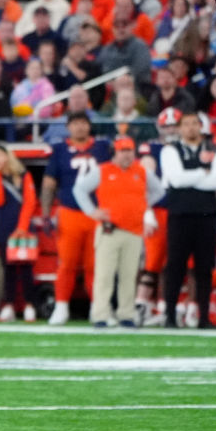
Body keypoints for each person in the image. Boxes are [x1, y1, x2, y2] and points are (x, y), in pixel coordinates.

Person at [73, 136, 165, 327]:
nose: (126, 155)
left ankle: (126, 314)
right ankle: (100, 314)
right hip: (110, 230)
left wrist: (142, 205)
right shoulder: (103, 170)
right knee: (104, 275)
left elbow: (159, 191)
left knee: (129, 276)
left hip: (134, 231)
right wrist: (92, 211)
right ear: (115, 152)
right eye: (123, 151)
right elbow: (79, 190)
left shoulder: (142, 172)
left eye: (129, 150)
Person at [40, 112, 112, 325]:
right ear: (68, 127)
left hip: (96, 213)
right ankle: (61, 306)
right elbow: (49, 183)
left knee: (95, 265)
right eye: (75, 123)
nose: (80, 127)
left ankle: (98, 308)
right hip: (70, 212)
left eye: (83, 123)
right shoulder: (60, 150)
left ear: (89, 126)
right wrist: (46, 213)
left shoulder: (102, 148)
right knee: (66, 263)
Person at [159, 112, 216, 328]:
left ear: (201, 126)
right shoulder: (170, 150)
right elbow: (176, 180)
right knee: (175, 266)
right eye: (186, 124)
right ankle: (170, 315)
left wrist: (193, 177)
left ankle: (203, 316)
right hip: (180, 214)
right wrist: (203, 172)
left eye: (194, 124)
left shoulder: (215, 150)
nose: (190, 128)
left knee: (204, 268)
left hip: (207, 214)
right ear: (180, 128)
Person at [136, 108, 180, 325]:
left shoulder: (186, 148)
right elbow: (144, 180)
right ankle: (141, 305)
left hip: (181, 210)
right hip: (159, 209)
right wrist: (147, 211)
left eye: (174, 125)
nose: (170, 130)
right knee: (152, 261)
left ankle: (166, 306)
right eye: (167, 126)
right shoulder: (151, 148)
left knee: (174, 262)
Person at [0, 145, 38, 323]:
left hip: (23, 229)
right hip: (4, 228)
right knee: (7, 269)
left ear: (7, 156)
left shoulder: (24, 175)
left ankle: (29, 305)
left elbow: (30, 202)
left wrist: (22, 227)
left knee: (26, 269)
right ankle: (9, 305)